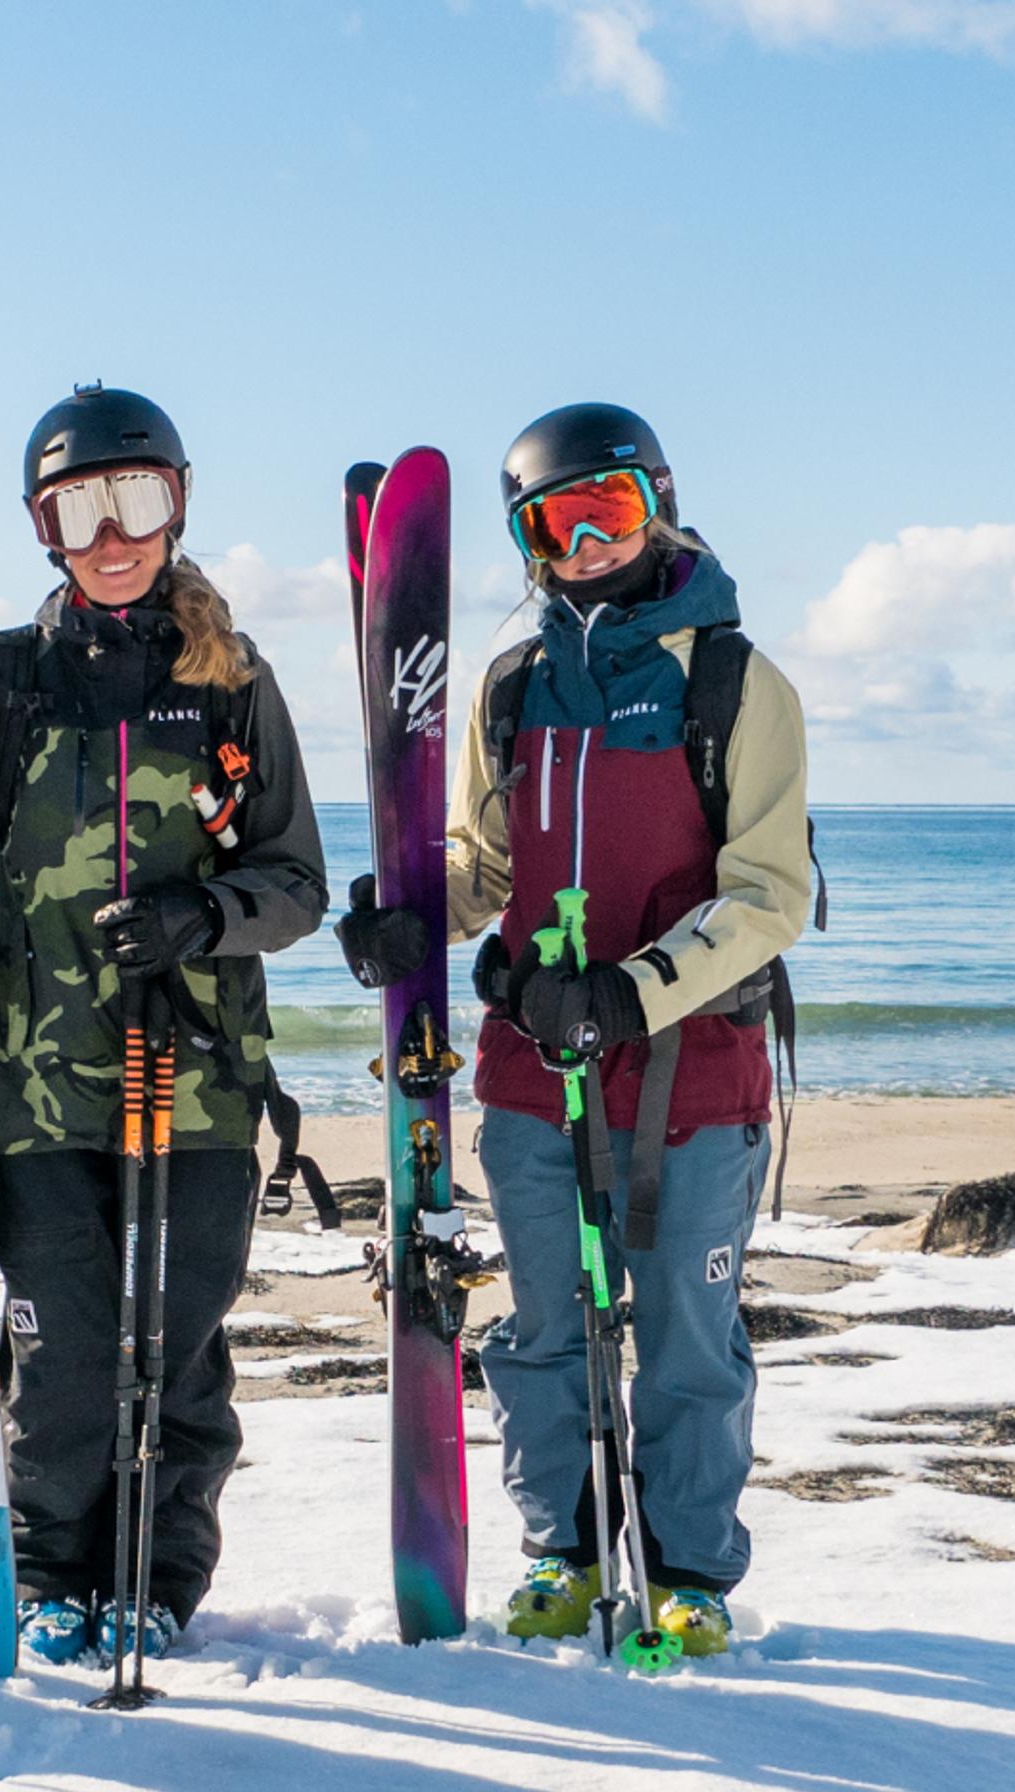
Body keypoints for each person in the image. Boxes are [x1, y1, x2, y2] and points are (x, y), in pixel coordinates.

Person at [0, 385, 329, 1665]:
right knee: (57, 1339)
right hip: (32, 1086)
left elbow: (297, 884)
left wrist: (199, 917)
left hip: (197, 1073)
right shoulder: (3, 683)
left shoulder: (230, 681)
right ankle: (48, 1569)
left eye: (140, 503)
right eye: (82, 509)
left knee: (177, 1332)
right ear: (46, 527)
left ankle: (156, 1573)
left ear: (178, 507)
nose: (115, 536)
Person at [338, 402, 813, 1658]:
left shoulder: (735, 684)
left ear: (656, 504)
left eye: (610, 509)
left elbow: (771, 894)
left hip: (692, 1079)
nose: (589, 542)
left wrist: (628, 991)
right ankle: (560, 1547)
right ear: (529, 543)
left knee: (686, 1337)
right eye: (557, 522)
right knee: (543, 1327)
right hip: (533, 1073)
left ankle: (689, 1571)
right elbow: (489, 863)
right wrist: (410, 910)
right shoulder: (512, 687)